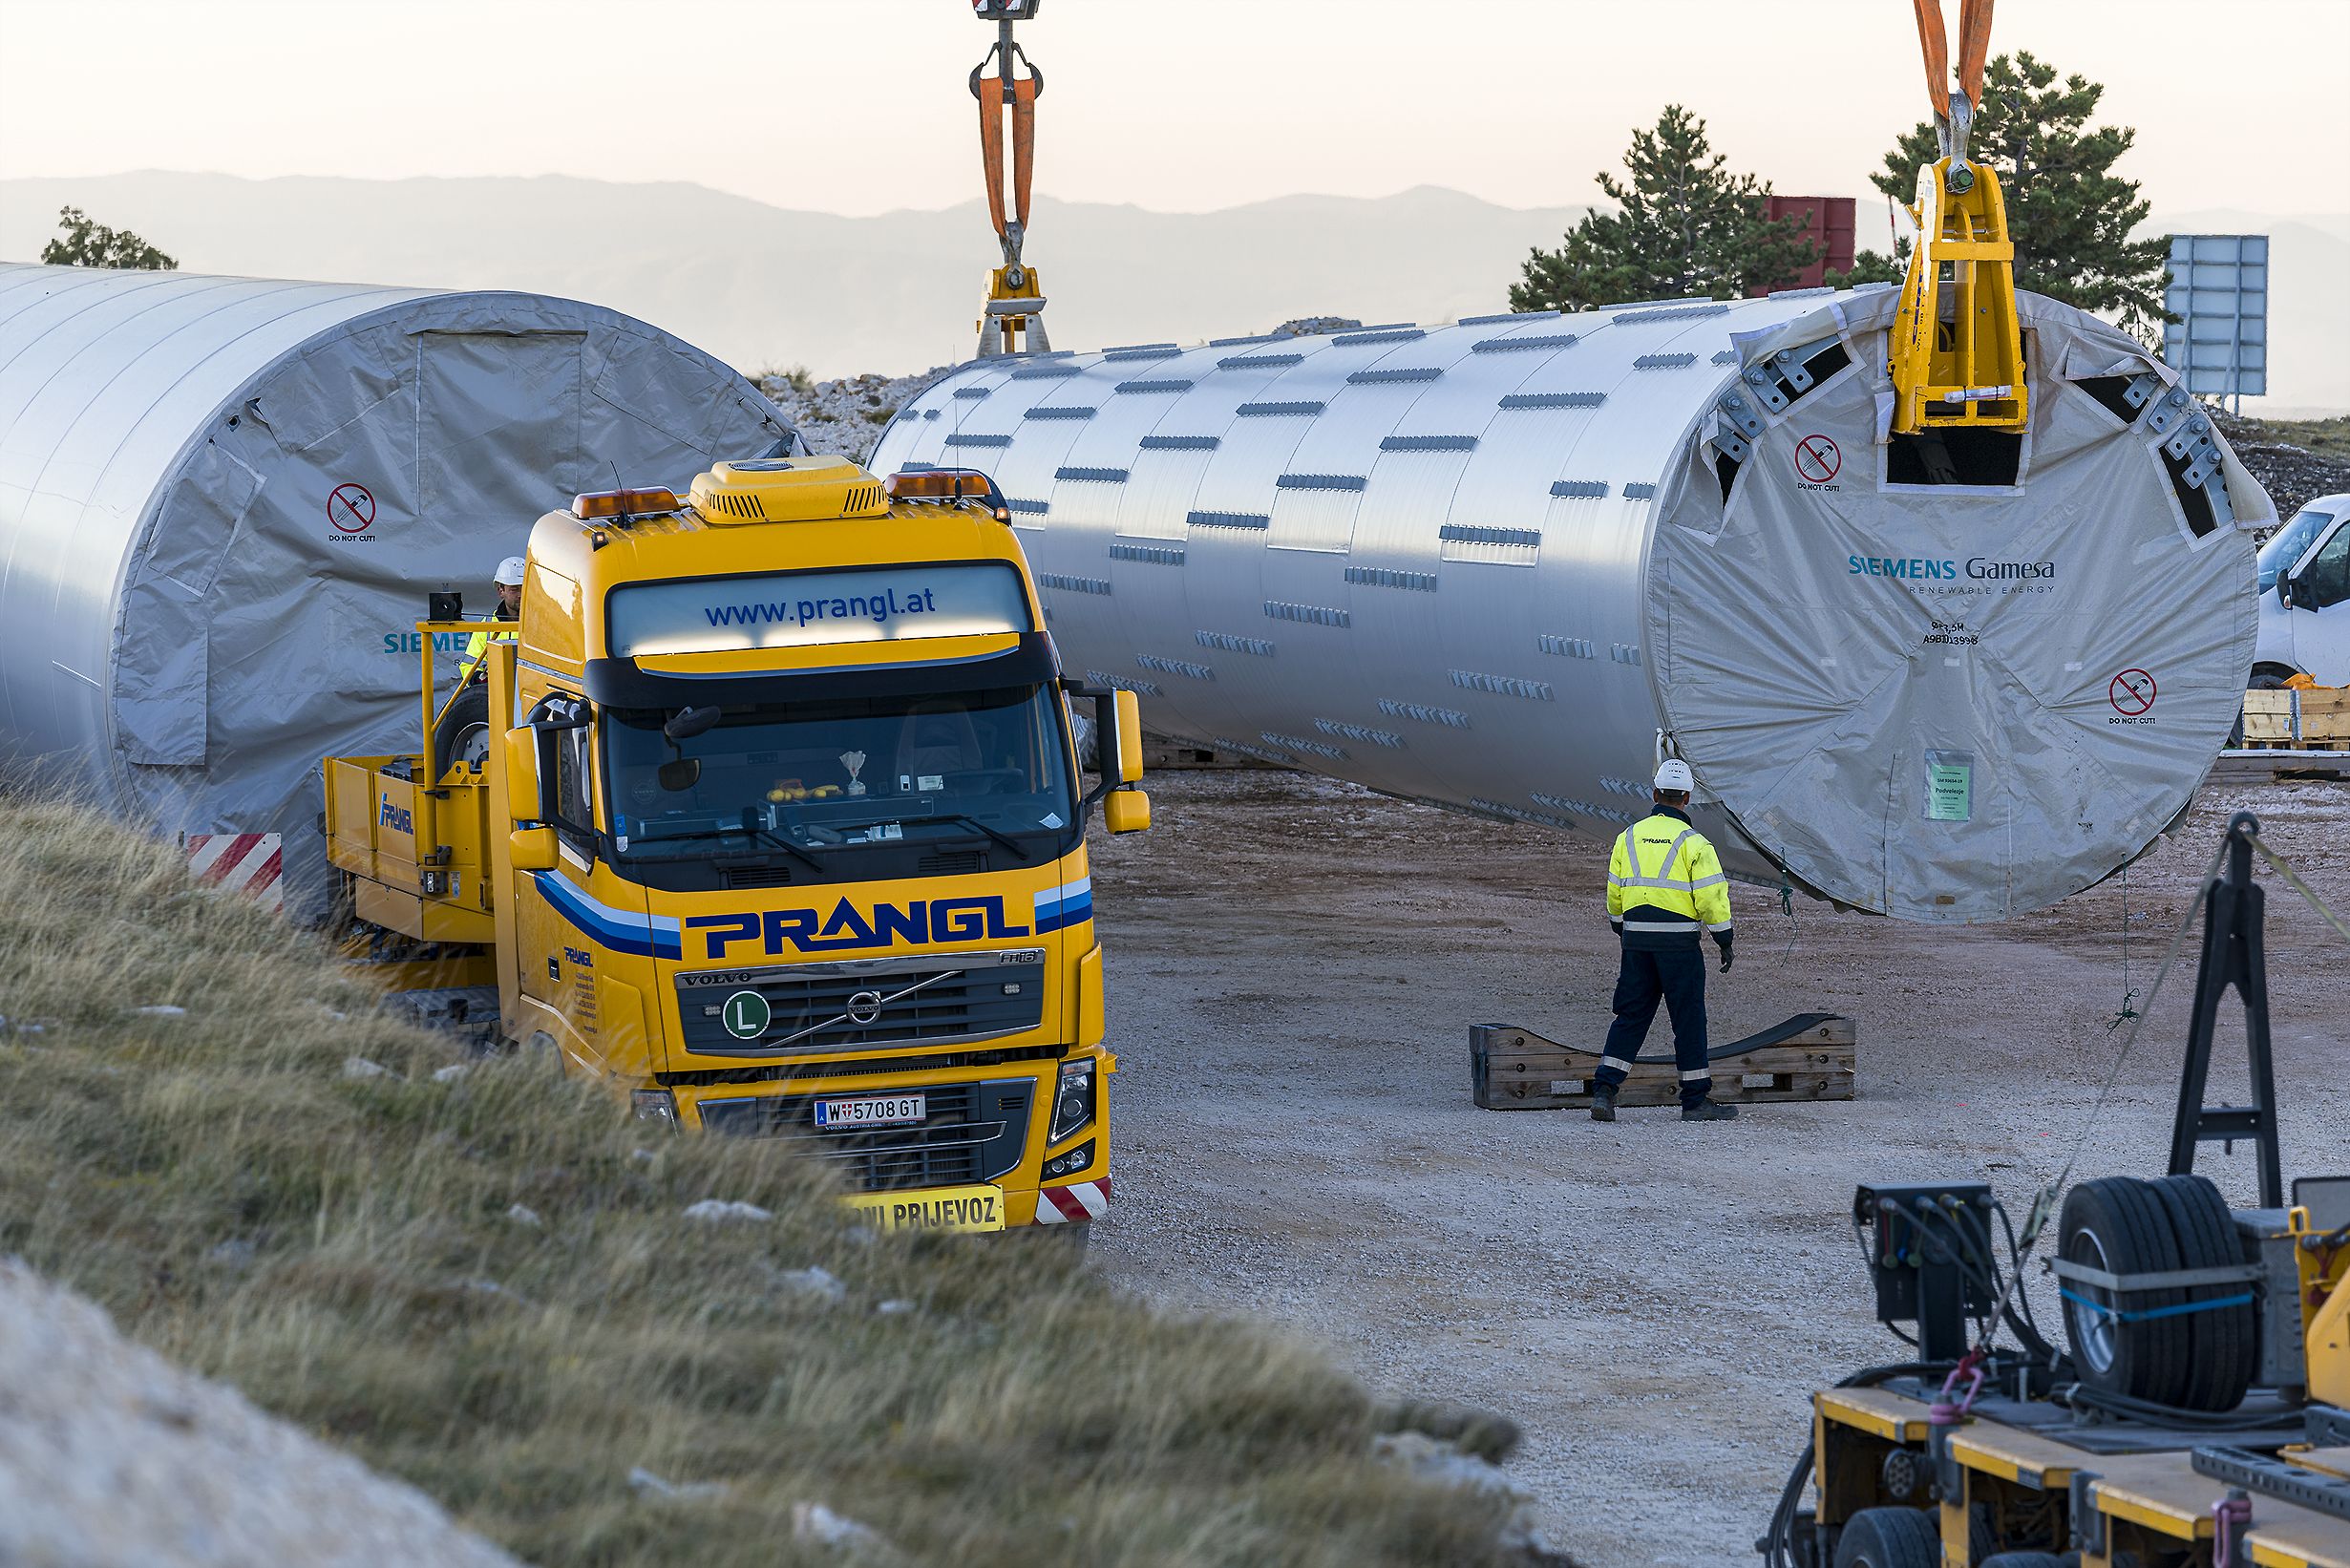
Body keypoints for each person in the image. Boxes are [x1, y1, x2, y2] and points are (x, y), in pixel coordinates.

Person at [1592, 759, 1738, 1123]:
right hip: (1679, 949)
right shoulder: (1695, 844)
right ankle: (1694, 1101)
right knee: (1688, 1020)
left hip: (1637, 943)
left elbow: (1615, 890)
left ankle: (1605, 1091)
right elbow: (1710, 897)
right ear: (1687, 798)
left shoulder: (1627, 837)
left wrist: (1620, 927)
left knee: (1630, 1017)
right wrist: (1724, 938)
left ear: (1655, 794)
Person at [458, 557, 526, 686]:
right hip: (497, 699)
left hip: (535, 698)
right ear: (501, 591)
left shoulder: (541, 624)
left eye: (524, 588)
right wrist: (482, 679)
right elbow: (468, 665)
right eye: (514, 589)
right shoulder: (488, 625)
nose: (520, 594)